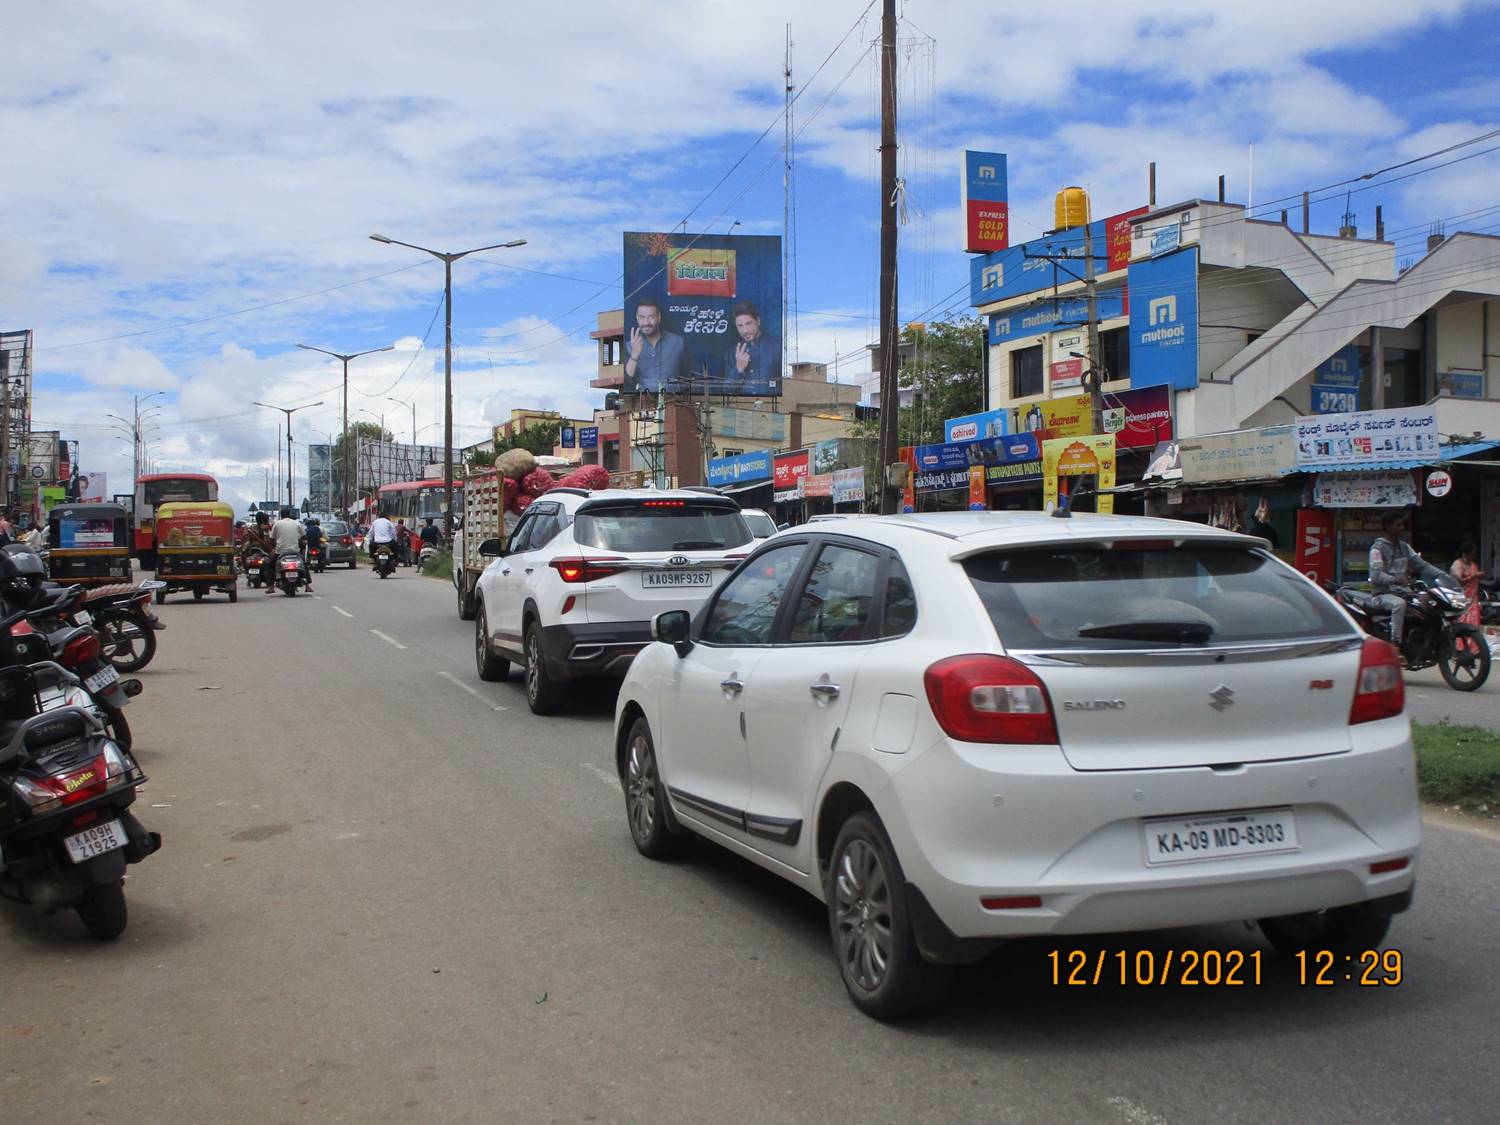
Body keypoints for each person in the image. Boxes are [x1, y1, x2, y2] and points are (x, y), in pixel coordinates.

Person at [1368, 512, 1445, 646]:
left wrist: (1442, 575)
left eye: (1402, 524)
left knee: (1429, 602)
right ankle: (1395, 644)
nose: (1402, 528)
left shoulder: (1404, 547)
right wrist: (1396, 580)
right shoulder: (1377, 549)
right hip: (1382, 594)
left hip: (1404, 591)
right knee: (1399, 604)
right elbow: (1376, 576)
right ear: (1387, 527)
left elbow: (1422, 565)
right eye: (1398, 525)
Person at [622, 297, 688, 392]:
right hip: (643, 403)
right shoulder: (629, 345)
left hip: (674, 402)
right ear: (637, 318)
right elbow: (628, 378)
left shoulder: (678, 342)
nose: (646, 322)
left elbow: (688, 378)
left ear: (659, 317)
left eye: (651, 317)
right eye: (642, 317)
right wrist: (634, 355)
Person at [720, 300, 781, 393]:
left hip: (770, 405)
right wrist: (739, 369)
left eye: (748, 324)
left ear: (758, 321)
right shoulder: (731, 352)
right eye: (740, 326)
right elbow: (727, 390)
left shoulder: (778, 346)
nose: (745, 330)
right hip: (742, 407)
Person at [270, 507, 309, 591]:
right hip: (294, 551)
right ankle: (308, 585)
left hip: (280, 551)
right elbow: (304, 535)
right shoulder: (296, 523)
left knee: (271, 565)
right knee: (304, 564)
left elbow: (272, 538)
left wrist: (274, 546)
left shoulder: (277, 523)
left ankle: (271, 586)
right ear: (290, 515)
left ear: (281, 515)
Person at [1450, 541, 1487, 629]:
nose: (1474, 556)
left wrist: (1479, 576)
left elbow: (1475, 580)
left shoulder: (1473, 564)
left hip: (1472, 598)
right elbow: (1457, 582)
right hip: (1460, 597)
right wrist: (1472, 576)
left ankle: (1472, 642)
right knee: (1461, 621)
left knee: (1473, 623)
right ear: (1465, 553)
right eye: (1472, 553)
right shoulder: (1458, 564)